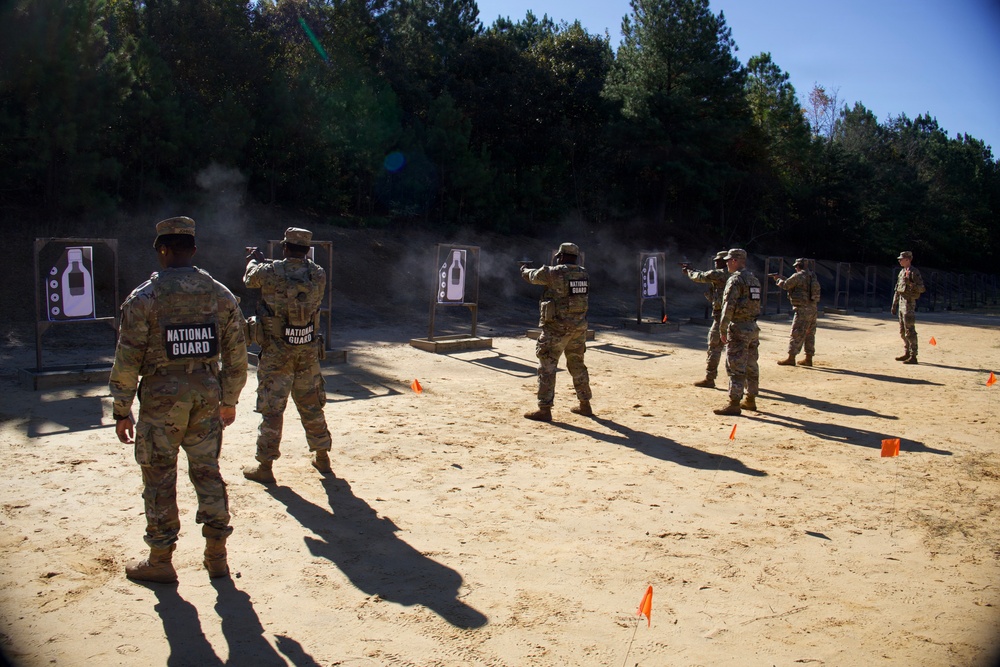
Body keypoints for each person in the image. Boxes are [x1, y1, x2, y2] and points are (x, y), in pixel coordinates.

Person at [110, 216, 248, 583]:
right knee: (207, 472)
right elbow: (237, 355)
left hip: (160, 400)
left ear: (162, 251)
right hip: (207, 394)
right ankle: (217, 556)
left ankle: (160, 560)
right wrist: (230, 399)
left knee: (158, 476)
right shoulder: (222, 295)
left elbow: (127, 359)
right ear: (194, 251)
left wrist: (122, 410)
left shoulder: (144, 298)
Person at [242, 227, 333, 483]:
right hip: (307, 349)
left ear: (284, 247)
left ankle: (265, 467)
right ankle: (323, 456)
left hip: (276, 351)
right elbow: (293, 272)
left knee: (272, 409)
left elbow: (250, 278)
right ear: (307, 249)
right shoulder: (318, 273)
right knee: (311, 403)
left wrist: (253, 259)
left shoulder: (269, 272)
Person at [520, 242, 593, 421]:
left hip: (556, 329)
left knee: (547, 366)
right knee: (577, 365)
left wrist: (524, 269)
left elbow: (532, 277)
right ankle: (585, 404)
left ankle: (544, 409)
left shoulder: (553, 272)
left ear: (560, 256)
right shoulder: (583, 273)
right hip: (579, 328)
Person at [714, 248, 762, 416]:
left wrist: (722, 328)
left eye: (729, 260)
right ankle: (750, 399)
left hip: (739, 327)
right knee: (751, 364)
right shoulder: (754, 279)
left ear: (735, 261)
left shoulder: (735, 280)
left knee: (735, 365)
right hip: (752, 327)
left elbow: (728, 306)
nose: (726, 263)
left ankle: (734, 403)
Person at [683, 251, 729, 388]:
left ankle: (710, 378)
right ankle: (742, 380)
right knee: (738, 351)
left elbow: (700, 277)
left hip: (721, 316)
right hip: (736, 317)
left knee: (714, 347)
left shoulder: (719, 274)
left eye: (718, 260)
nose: (716, 262)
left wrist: (690, 272)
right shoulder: (738, 275)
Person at [772, 258, 821, 367]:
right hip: (813, 309)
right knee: (810, 334)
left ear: (798, 266)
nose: (795, 268)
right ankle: (808, 358)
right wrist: (784, 278)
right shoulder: (812, 275)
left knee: (796, 333)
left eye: (796, 266)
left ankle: (791, 358)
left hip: (802, 310)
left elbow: (785, 285)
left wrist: (778, 280)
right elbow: (797, 284)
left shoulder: (798, 276)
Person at [891, 250, 926, 364]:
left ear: (908, 260)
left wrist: (911, 284)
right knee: (902, 330)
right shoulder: (901, 272)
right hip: (901, 302)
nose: (900, 261)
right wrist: (894, 304)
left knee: (909, 330)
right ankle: (907, 352)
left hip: (909, 303)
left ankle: (913, 355)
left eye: (901, 259)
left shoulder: (914, 272)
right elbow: (897, 289)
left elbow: (922, 288)